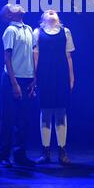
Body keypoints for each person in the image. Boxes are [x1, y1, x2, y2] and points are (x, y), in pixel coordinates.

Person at [33, 10, 75, 165]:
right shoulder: (37, 32)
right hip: (44, 76)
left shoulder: (66, 32)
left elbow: (68, 56)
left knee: (61, 111)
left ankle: (62, 151)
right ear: (43, 19)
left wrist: (71, 77)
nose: (51, 11)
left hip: (61, 75)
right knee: (45, 112)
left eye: (54, 11)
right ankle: (45, 152)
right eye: (47, 12)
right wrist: (34, 77)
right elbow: (35, 56)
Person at [0, 4, 36, 167]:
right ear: (9, 15)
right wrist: (14, 84)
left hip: (27, 78)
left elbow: (33, 55)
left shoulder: (28, 29)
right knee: (9, 117)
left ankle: (20, 154)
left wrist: (34, 78)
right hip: (12, 79)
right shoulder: (11, 30)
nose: (17, 6)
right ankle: (3, 156)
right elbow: (7, 58)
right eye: (12, 7)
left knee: (24, 119)